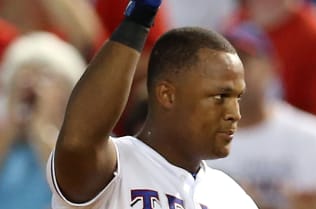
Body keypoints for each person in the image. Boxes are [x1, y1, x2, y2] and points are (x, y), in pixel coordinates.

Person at [46, 1, 259, 209]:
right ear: (167, 95)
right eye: (220, 97)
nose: (234, 114)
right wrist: (138, 19)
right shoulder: (115, 167)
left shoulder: (233, 198)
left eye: (237, 98)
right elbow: (77, 141)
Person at [207, 23, 316, 209]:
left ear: (271, 68)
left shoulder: (313, 137)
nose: (233, 71)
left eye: (244, 60)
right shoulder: (194, 137)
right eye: (223, 63)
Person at [0, 32, 85, 209]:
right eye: (23, 75)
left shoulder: (86, 144)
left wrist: (42, 129)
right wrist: (12, 127)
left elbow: (75, 192)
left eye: (44, 76)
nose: (31, 84)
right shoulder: (6, 138)